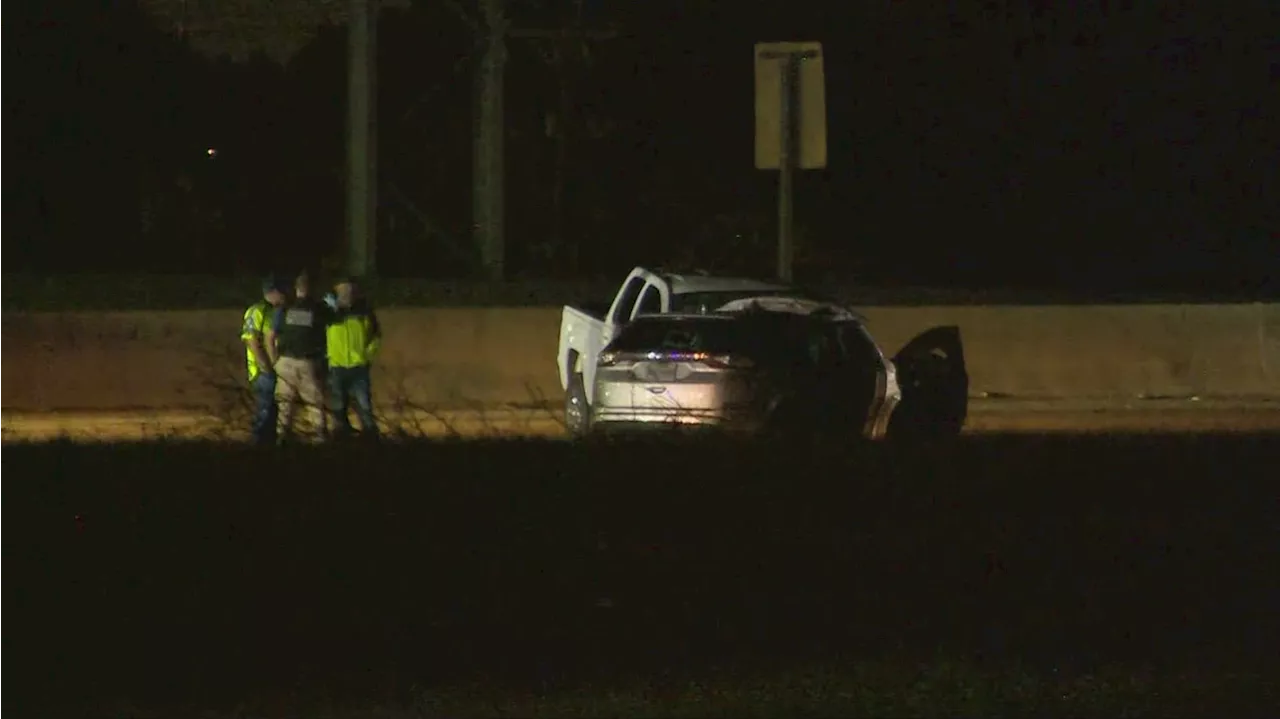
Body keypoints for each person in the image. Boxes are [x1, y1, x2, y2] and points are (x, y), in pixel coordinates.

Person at [265, 271, 331, 443]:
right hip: (307, 363)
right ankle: (319, 442)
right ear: (313, 288)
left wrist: (274, 362)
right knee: (315, 405)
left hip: (285, 362)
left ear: (296, 289)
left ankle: (282, 442)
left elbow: (270, 336)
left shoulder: (284, 309)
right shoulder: (318, 308)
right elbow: (334, 320)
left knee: (285, 406)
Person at [325, 275, 382, 440]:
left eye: (349, 289)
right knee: (338, 408)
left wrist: (367, 356)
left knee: (365, 407)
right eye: (342, 289)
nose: (346, 292)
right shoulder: (329, 312)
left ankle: (370, 438)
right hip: (336, 367)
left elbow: (376, 336)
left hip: (359, 367)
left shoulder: (364, 311)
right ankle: (340, 438)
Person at [241, 275, 288, 445]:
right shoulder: (257, 310)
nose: (285, 295)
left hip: (275, 370)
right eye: (282, 292)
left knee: (274, 414)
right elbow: (252, 341)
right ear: (273, 292)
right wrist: (266, 368)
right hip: (263, 372)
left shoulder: (277, 311)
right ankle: (259, 447)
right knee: (265, 412)